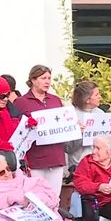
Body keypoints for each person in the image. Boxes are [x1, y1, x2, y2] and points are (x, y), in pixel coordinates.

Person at [14, 65, 66, 195]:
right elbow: (16, 128)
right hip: (35, 158)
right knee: (36, 198)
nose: (47, 81)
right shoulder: (20, 102)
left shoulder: (55, 100)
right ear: (33, 79)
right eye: (43, 78)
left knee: (54, 197)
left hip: (56, 156)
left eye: (49, 78)